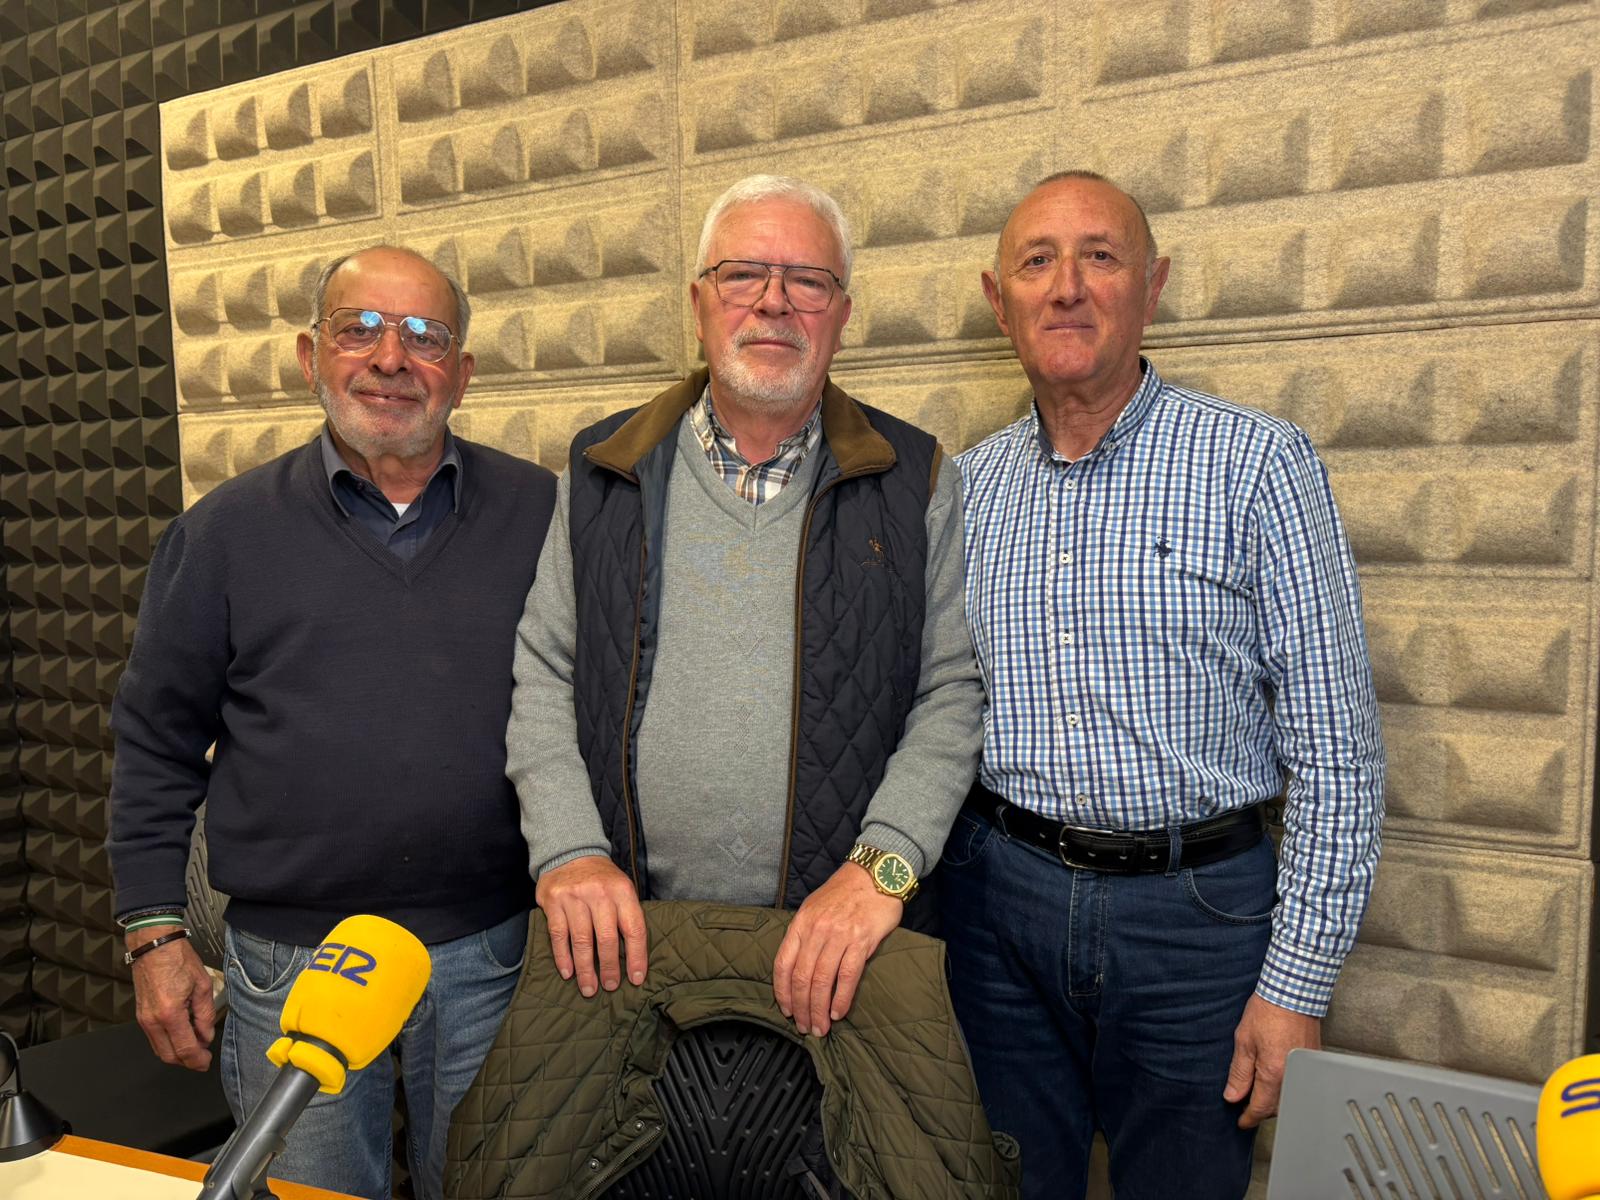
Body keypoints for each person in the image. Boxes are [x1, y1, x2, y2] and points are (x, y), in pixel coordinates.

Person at [945, 171, 1385, 1199]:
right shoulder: (962, 490)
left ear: (1154, 285)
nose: (1065, 287)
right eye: (1036, 261)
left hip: (1197, 923)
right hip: (998, 910)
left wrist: (1298, 983)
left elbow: (1335, 749)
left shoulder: (1257, 463)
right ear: (995, 297)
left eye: (1099, 256)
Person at [107, 245, 557, 1200]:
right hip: (288, 965)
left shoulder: (542, 514)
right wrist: (155, 937)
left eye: (426, 336)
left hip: (490, 954)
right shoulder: (222, 532)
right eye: (360, 329)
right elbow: (155, 745)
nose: (391, 358)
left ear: (463, 374)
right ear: (310, 356)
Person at [506, 174, 982, 1040]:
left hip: (838, 952)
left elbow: (951, 693)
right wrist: (569, 848)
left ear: (842, 313)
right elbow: (544, 671)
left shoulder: (916, 481)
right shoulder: (601, 470)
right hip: (628, 946)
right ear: (698, 302)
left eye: (808, 281)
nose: (774, 302)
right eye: (742, 275)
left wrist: (880, 871)